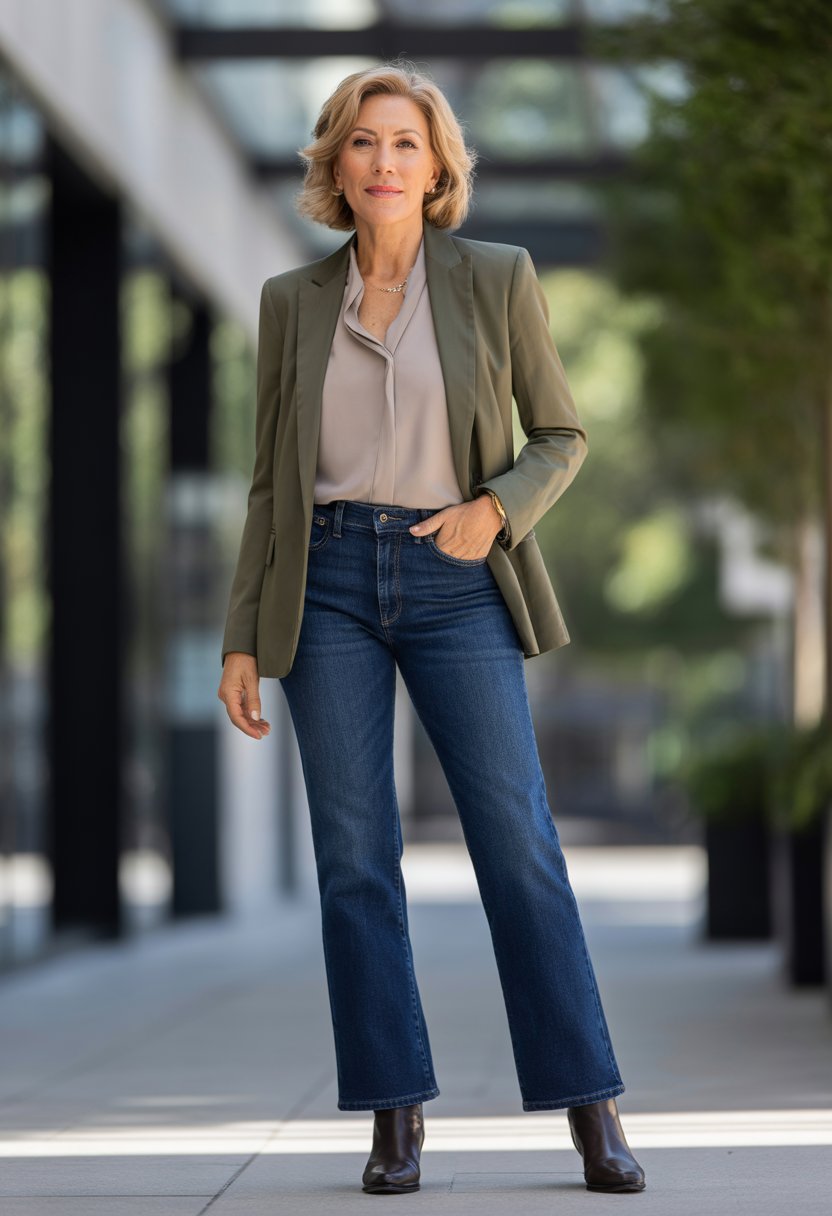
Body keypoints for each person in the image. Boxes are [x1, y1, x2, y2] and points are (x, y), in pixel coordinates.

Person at [217, 60, 645, 1197]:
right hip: (328, 586)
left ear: (438, 164)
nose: (385, 162)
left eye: (405, 142)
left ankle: (591, 1107)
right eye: (363, 143)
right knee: (355, 859)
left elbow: (560, 431)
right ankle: (393, 1117)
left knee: (518, 845)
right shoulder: (291, 301)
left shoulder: (495, 278)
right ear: (335, 166)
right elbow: (271, 481)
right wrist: (241, 634)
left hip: (456, 578)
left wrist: (494, 509)